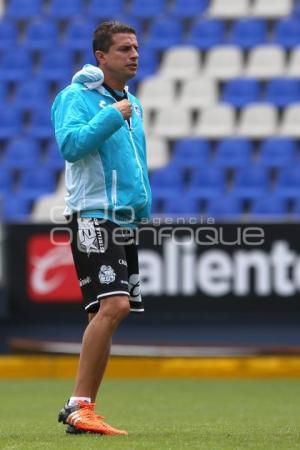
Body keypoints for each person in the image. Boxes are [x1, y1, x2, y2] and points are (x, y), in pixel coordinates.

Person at [51, 20, 152, 436]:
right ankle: (78, 405)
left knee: (103, 312)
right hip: (93, 215)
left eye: (135, 48)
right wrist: (110, 116)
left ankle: (83, 410)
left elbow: (134, 162)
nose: (134, 55)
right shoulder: (75, 97)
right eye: (124, 49)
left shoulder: (131, 100)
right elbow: (70, 146)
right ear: (101, 57)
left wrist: (140, 207)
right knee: (114, 306)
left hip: (122, 218)